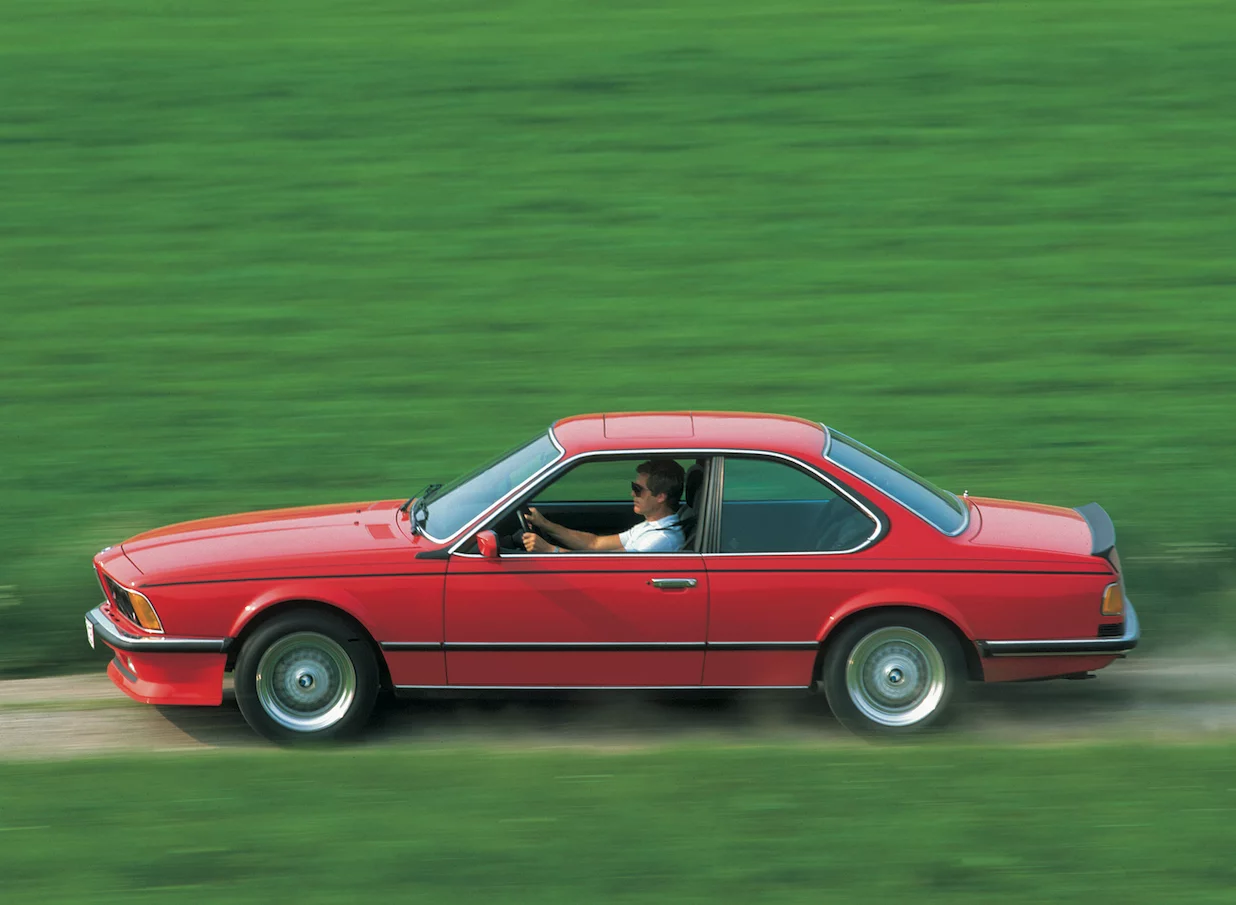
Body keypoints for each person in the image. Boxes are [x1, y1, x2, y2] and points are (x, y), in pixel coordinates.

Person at [522, 459, 686, 553]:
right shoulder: (650, 526)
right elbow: (594, 543)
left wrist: (550, 551)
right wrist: (545, 524)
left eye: (638, 490)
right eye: (633, 487)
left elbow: (605, 565)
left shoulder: (659, 539)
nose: (632, 494)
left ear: (660, 497)